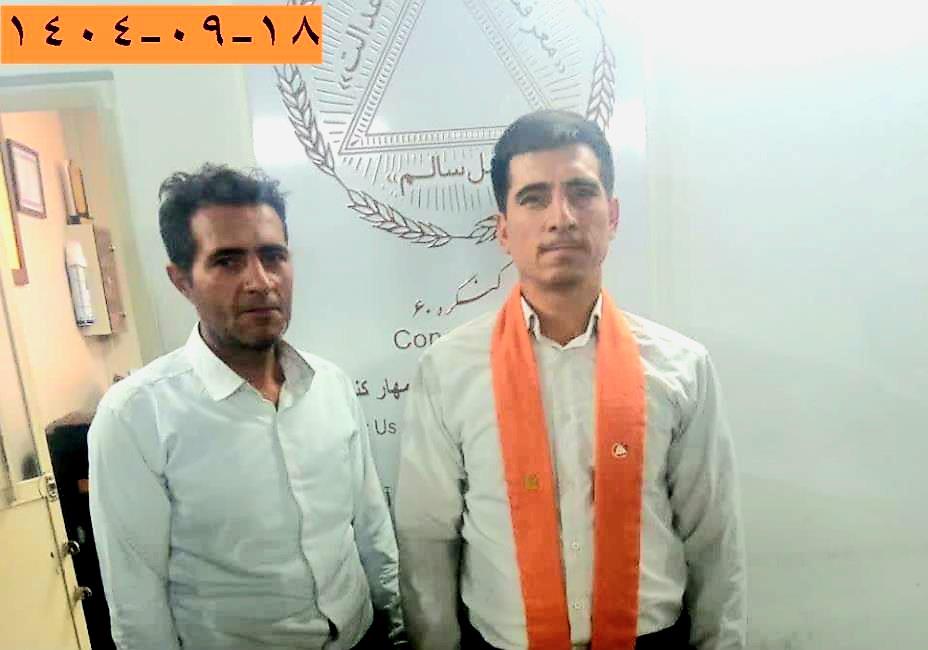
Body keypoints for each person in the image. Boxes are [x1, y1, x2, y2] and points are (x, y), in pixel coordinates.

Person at [395, 110, 746, 650]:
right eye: (534, 198)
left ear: (613, 214)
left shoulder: (682, 366)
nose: (561, 217)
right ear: (503, 230)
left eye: (581, 193)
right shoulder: (448, 370)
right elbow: (426, 539)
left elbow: (713, 535)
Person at [89, 164, 403, 649]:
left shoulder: (330, 385)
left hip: (361, 637)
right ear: (182, 280)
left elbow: (370, 526)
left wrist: (398, 624)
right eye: (228, 262)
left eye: (273, 256)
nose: (260, 281)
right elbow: (137, 600)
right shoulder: (135, 417)